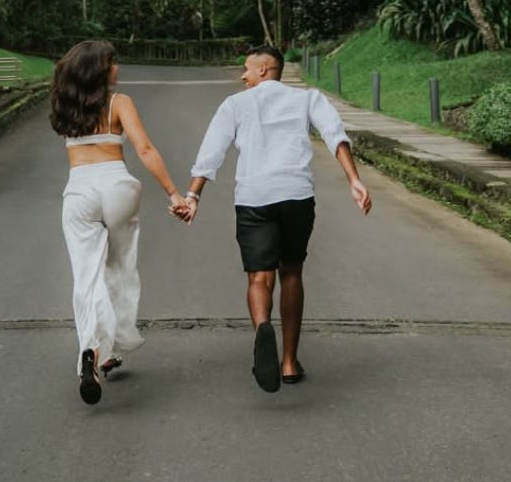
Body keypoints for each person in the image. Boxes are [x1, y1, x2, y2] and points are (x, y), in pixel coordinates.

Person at [180, 44, 371, 393]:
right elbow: (335, 135)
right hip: (296, 194)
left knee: (259, 277)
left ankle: (262, 328)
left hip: (254, 196)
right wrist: (354, 180)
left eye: (247, 69)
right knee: (292, 271)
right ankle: (288, 362)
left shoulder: (235, 104)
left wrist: (193, 195)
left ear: (265, 69)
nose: (243, 75)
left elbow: (212, 152)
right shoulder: (307, 99)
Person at [49, 39, 191, 406]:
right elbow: (144, 149)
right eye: (112, 63)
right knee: (119, 267)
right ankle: (109, 347)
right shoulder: (119, 102)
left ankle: (91, 350)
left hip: (79, 191)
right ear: (99, 69)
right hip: (116, 186)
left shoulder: (65, 104)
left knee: (87, 275)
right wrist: (174, 194)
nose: (118, 68)